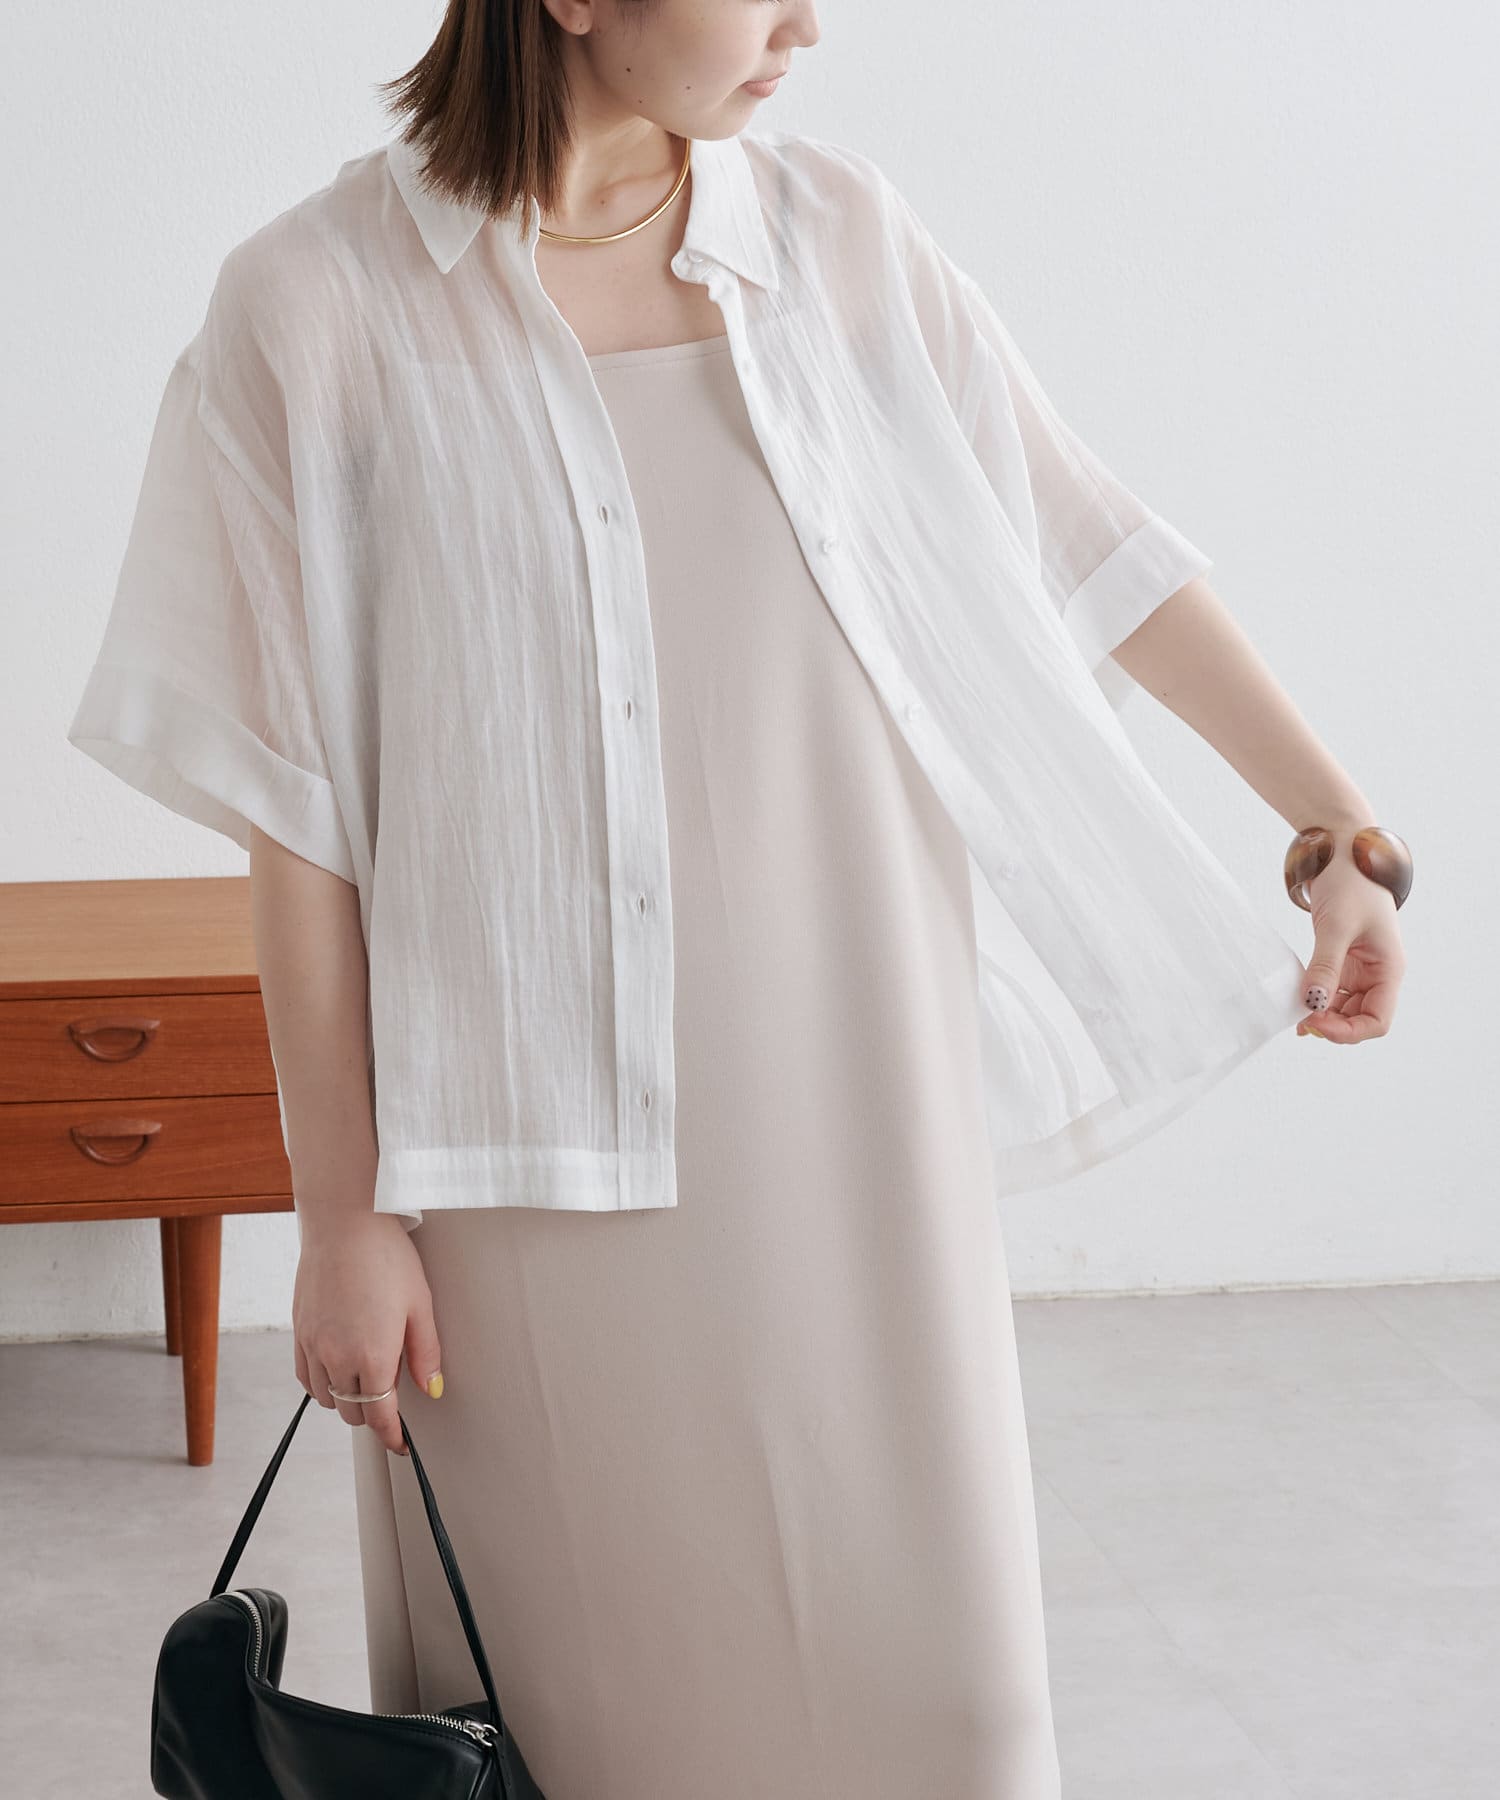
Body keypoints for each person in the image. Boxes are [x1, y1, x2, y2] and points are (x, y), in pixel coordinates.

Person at [67, 1, 1410, 1793]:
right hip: (526, 1175)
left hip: (859, 1110)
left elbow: (1088, 544)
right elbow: (297, 814)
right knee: (585, 1718)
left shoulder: (840, 240)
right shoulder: (314, 309)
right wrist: (340, 1216)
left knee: (941, 1708)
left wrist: (1335, 827)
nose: (805, 23)